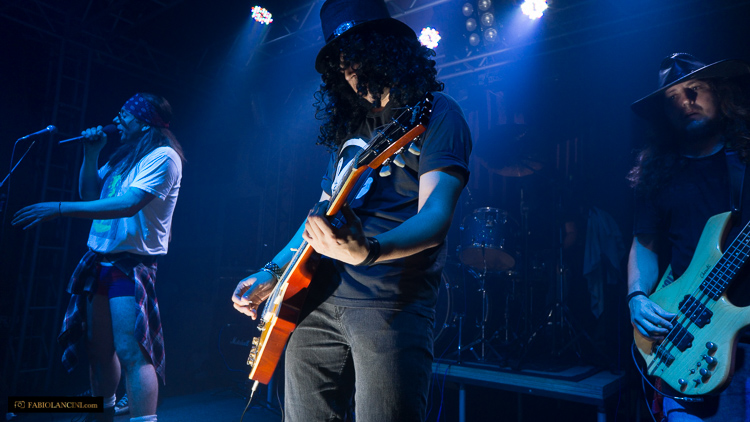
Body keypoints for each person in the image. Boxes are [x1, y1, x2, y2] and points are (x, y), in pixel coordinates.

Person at [231, 0, 472, 420]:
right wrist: (273, 270)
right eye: (341, 67)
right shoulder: (352, 128)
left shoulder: (437, 113)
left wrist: (370, 251)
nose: (350, 75)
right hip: (317, 299)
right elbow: (321, 213)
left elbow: (436, 217)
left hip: (390, 303)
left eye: (356, 59)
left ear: (386, 49)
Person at [12, 93, 184, 422]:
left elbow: (128, 204)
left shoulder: (163, 156)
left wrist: (59, 209)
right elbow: (90, 195)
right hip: (99, 260)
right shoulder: (124, 156)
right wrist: (90, 154)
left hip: (130, 265)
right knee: (98, 348)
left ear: (144, 121)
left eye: (124, 114)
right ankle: (100, 415)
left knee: (132, 352)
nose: (117, 120)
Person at [627, 53, 750, 421]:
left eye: (694, 89)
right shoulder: (658, 172)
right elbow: (644, 244)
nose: (686, 102)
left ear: (719, 92)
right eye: (673, 98)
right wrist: (637, 297)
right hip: (685, 340)